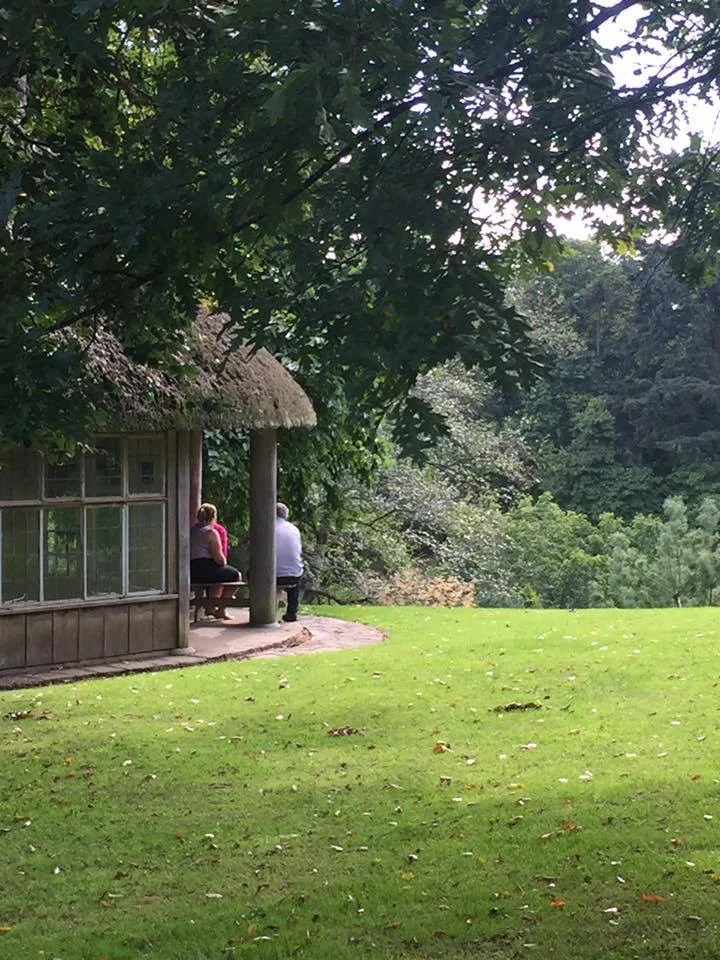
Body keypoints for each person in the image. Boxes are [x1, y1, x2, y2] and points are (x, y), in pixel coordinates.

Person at [190, 503, 241, 620]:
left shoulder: (192, 531)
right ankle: (221, 609)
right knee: (235, 575)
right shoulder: (211, 533)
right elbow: (219, 559)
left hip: (191, 570)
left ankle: (210, 606)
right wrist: (224, 561)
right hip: (205, 569)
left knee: (221, 575)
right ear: (213, 517)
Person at [276, 502, 303, 622]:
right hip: (292, 576)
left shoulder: (265, 527)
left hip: (269, 576)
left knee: (251, 573)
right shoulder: (294, 529)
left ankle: (260, 606)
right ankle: (292, 612)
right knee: (296, 571)